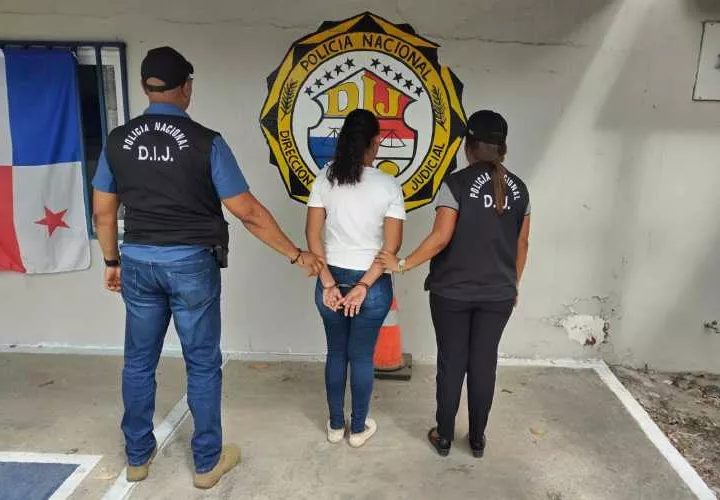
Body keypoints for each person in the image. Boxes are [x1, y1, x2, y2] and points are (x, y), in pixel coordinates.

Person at [92, 46, 323, 489]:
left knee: (138, 362)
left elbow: (103, 212)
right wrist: (296, 254)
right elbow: (247, 211)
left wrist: (111, 260)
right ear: (187, 88)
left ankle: (137, 457)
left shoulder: (118, 140)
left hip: (138, 261)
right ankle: (206, 464)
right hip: (191, 266)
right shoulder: (205, 141)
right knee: (201, 364)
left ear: (143, 87)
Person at [376, 110, 530, 458]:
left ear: (468, 146)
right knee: (484, 363)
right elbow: (522, 244)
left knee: (452, 362)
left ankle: (444, 436)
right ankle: (477, 439)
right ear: (503, 148)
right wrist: (513, 284)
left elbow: (441, 237)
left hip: (452, 293)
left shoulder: (455, 184)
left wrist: (403, 263)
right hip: (498, 294)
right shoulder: (520, 189)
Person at [306, 109, 406, 448]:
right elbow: (392, 247)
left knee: (336, 353)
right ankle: (358, 429)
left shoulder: (324, 179)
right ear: (375, 142)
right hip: (372, 284)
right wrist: (364, 285)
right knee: (361, 357)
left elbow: (312, 235)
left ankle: (336, 426)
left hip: (331, 278)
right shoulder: (389, 185)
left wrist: (328, 282)